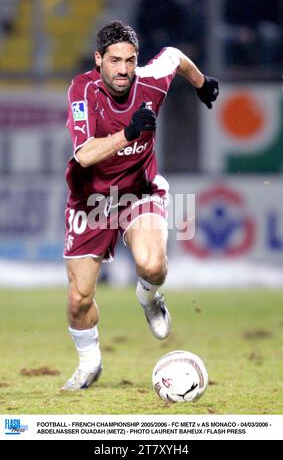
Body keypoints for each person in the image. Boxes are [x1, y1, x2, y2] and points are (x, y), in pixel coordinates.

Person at [62, 20, 219, 390]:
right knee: (78, 298)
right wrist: (129, 133)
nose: (123, 70)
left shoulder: (150, 80)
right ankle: (89, 363)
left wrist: (201, 83)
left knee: (152, 264)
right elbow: (84, 155)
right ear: (99, 59)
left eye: (130, 60)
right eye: (115, 60)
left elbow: (177, 58)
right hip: (90, 199)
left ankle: (149, 298)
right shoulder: (82, 90)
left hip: (139, 192)